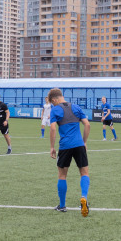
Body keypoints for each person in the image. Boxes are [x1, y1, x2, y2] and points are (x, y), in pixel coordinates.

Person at [48, 88, 91, 217]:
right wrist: (84, 142)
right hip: (79, 145)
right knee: (84, 172)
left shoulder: (55, 110)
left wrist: (52, 147)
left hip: (65, 146)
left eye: (52, 102)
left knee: (62, 175)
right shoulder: (76, 107)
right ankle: (84, 197)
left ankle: (62, 206)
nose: (53, 105)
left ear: (54, 99)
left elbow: (53, 129)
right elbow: (87, 125)